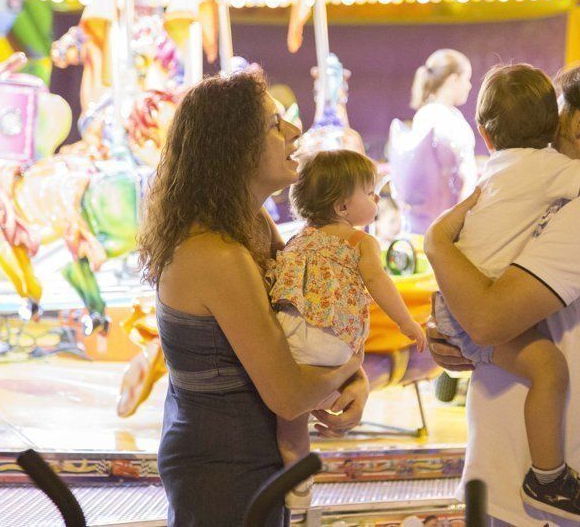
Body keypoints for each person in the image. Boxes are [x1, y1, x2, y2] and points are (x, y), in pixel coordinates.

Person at [424, 54, 580, 526]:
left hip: (544, 510)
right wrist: (460, 338)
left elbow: (488, 318)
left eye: (558, 110)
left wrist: (437, 245)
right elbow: (494, 309)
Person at [138, 72, 370, 526]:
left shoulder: (253, 223)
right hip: (222, 468)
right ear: (233, 147)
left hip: (250, 453)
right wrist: (352, 362)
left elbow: (305, 319)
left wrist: (353, 381)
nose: (294, 132)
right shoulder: (214, 253)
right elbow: (287, 395)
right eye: (275, 124)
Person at [267, 149, 427, 507]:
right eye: (370, 194)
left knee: (289, 418)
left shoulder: (299, 237)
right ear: (342, 207)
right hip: (332, 339)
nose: (375, 199)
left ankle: (294, 477)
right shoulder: (360, 241)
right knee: (330, 380)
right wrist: (406, 322)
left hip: (287, 333)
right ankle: (303, 484)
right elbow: (379, 283)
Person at [388, 49, 477, 234]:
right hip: (445, 213)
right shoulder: (433, 116)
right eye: (466, 79)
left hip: (456, 209)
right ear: (453, 79)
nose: (469, 86)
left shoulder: (447, 114)